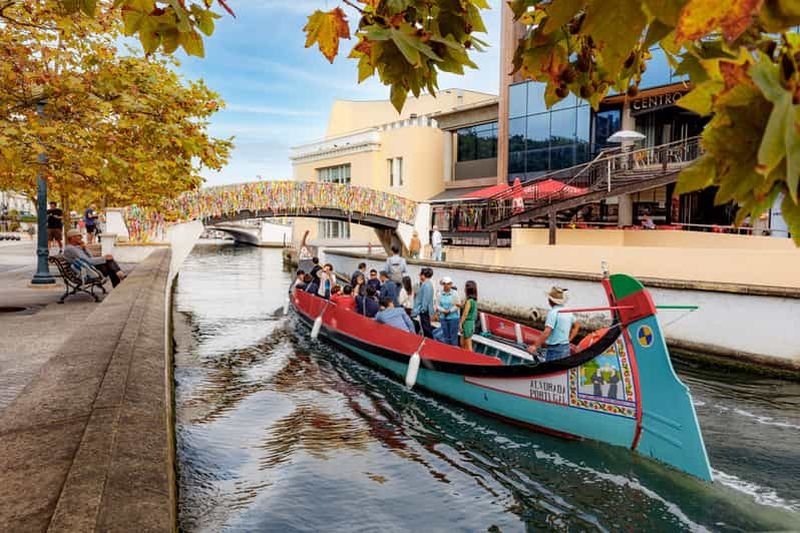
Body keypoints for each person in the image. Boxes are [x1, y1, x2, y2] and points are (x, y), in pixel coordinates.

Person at [527, 287, 580, 362]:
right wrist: (569, 339)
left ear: (550, 301)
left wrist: (534, 346)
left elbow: (547, 332)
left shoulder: (553, 313)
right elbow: (577, 325)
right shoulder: (568, 311)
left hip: (555, 350)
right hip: (565, 347)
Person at [436, 276, 460, 346]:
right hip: (443, 317)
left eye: (449, 284)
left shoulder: (455, 293)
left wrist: (449, 311)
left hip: (453, 318)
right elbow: (437, 305)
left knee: (453, 337)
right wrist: (443, 311)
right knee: (445, 337)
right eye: (446, 284)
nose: (447, 285)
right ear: (443, 284)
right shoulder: (439, 294)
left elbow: (458, 305)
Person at [411, 267, 435, 338]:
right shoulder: (428, 284)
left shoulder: (426, 285)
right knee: (426, 329)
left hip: (424, 311)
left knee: (426, 329)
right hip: (425, 310)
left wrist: (421, 310)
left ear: (423, 275)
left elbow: (425, 300)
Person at [459, 280, 478, 352]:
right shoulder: (473, 301)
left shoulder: (469, 301)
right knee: (462, 343)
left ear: (468, 289)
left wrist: (460, 324)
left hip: (467, 324)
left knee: (468, 346)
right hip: (471, 323)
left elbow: (465, 314)